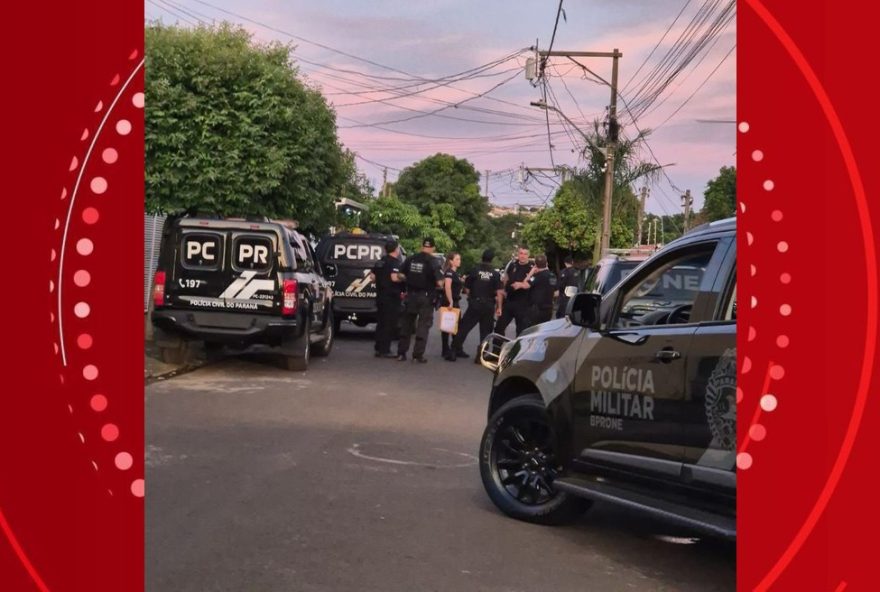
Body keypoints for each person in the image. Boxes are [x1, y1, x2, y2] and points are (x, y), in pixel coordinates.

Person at [448, 249, 503, 363]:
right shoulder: (495, 273)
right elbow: (499, 292)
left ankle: (453, 351)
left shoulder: (474, 270)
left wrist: (471, 298)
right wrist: (499, 307)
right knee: (485, 332)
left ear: (482, 257)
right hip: (488, 305)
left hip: (475, 303)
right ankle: (480, 356)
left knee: (464, 328)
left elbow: (467, 288)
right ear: (492, 259)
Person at [396, 237, 444, 363]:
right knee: (423, 325)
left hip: (410, 295)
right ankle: (417, 355)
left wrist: (409, 280)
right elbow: (439, 282)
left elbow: (399, 275)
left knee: (406, 325)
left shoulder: (411, 258)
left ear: (422, 246)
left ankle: (401, 353)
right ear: (433, 248)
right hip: (426, 297)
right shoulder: (433, 262)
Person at [370, 240, 404, 358]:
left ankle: (378, 347)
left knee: (381, 322)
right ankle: (385, 350)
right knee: (389, 323)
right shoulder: (395, 263)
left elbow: (372, 277)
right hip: (392, 296)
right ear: (395, 249)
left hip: (380, 295)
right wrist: (404, 278)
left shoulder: (380, 262)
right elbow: (394, 278)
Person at [494, 247, 534, 336]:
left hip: (523, 304)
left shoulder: (531, 268)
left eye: (525, 254)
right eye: (521, 253)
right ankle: (497, 349)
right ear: (518, 254)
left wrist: (520, 284)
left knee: (521, 332)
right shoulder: (512, 265)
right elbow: (505, 279)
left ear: (528, 256)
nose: (523, 256)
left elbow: (531, 284)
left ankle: (517, 349)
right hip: (509, 301)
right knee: (499, 327)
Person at [439, 252, 465, 359]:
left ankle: (455, 348)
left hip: (455, 301)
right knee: (447, 326)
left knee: (455, 326)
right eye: (457, 259)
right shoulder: (449, 272)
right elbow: (447, 287)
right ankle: (447, 350)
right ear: (451, 261)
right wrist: (450, 301)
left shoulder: (455, 273)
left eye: (459, 259)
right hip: (450, 301)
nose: (459, 261)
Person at [527, 254, 558, 327]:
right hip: (548, 308)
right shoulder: (552, 276)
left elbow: (526, 284)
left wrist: (530, 274)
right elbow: (557, 293)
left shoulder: (537, 276)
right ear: (546, 263)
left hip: (537, 309)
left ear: (536, 265)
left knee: (532, 330)